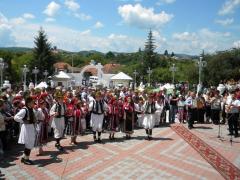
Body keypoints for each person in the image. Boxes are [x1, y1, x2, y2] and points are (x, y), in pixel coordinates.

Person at [14, 96, 37, 165]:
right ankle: (26, 159)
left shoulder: (31, 109)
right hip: (27, 128)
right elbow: (16, 117)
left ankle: (24, 158)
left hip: (30, 127)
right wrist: (23, 121)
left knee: (30, 143)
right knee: (28, 143)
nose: (34, 104)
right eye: (33, 103)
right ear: (29, 103)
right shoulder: (24, 110)